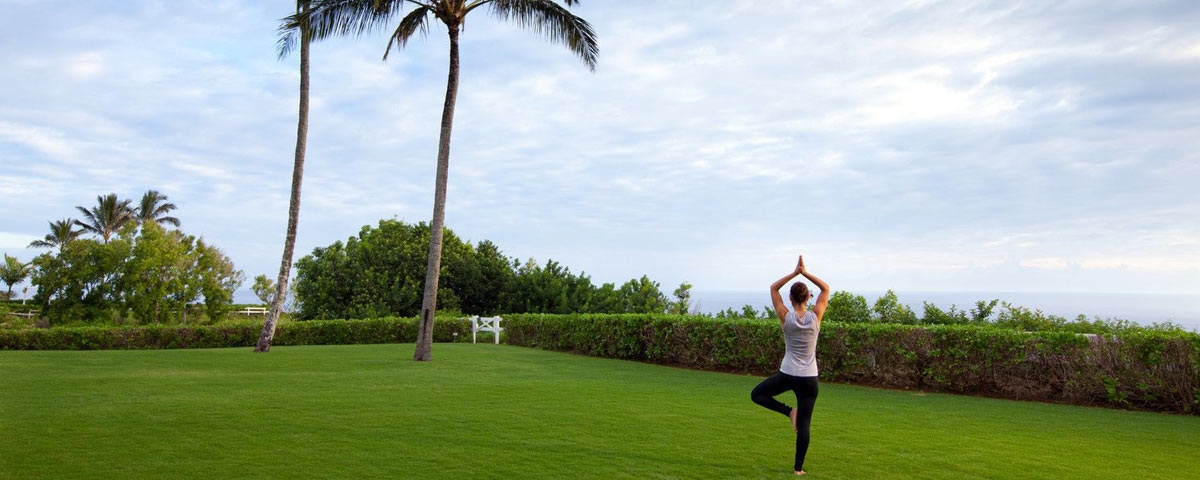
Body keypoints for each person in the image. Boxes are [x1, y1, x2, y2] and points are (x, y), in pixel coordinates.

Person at [751, 253, 830, 476]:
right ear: (808, 298)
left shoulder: (785, 316)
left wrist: (794, 273)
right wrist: (805, 273)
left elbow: (773, 289)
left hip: (787, 373)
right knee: (804, 424)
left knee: (757, 395)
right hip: (809, 378)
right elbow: (825, 289)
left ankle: (788, 412)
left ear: (791, 298)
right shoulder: (816, 316)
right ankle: (798, 469)